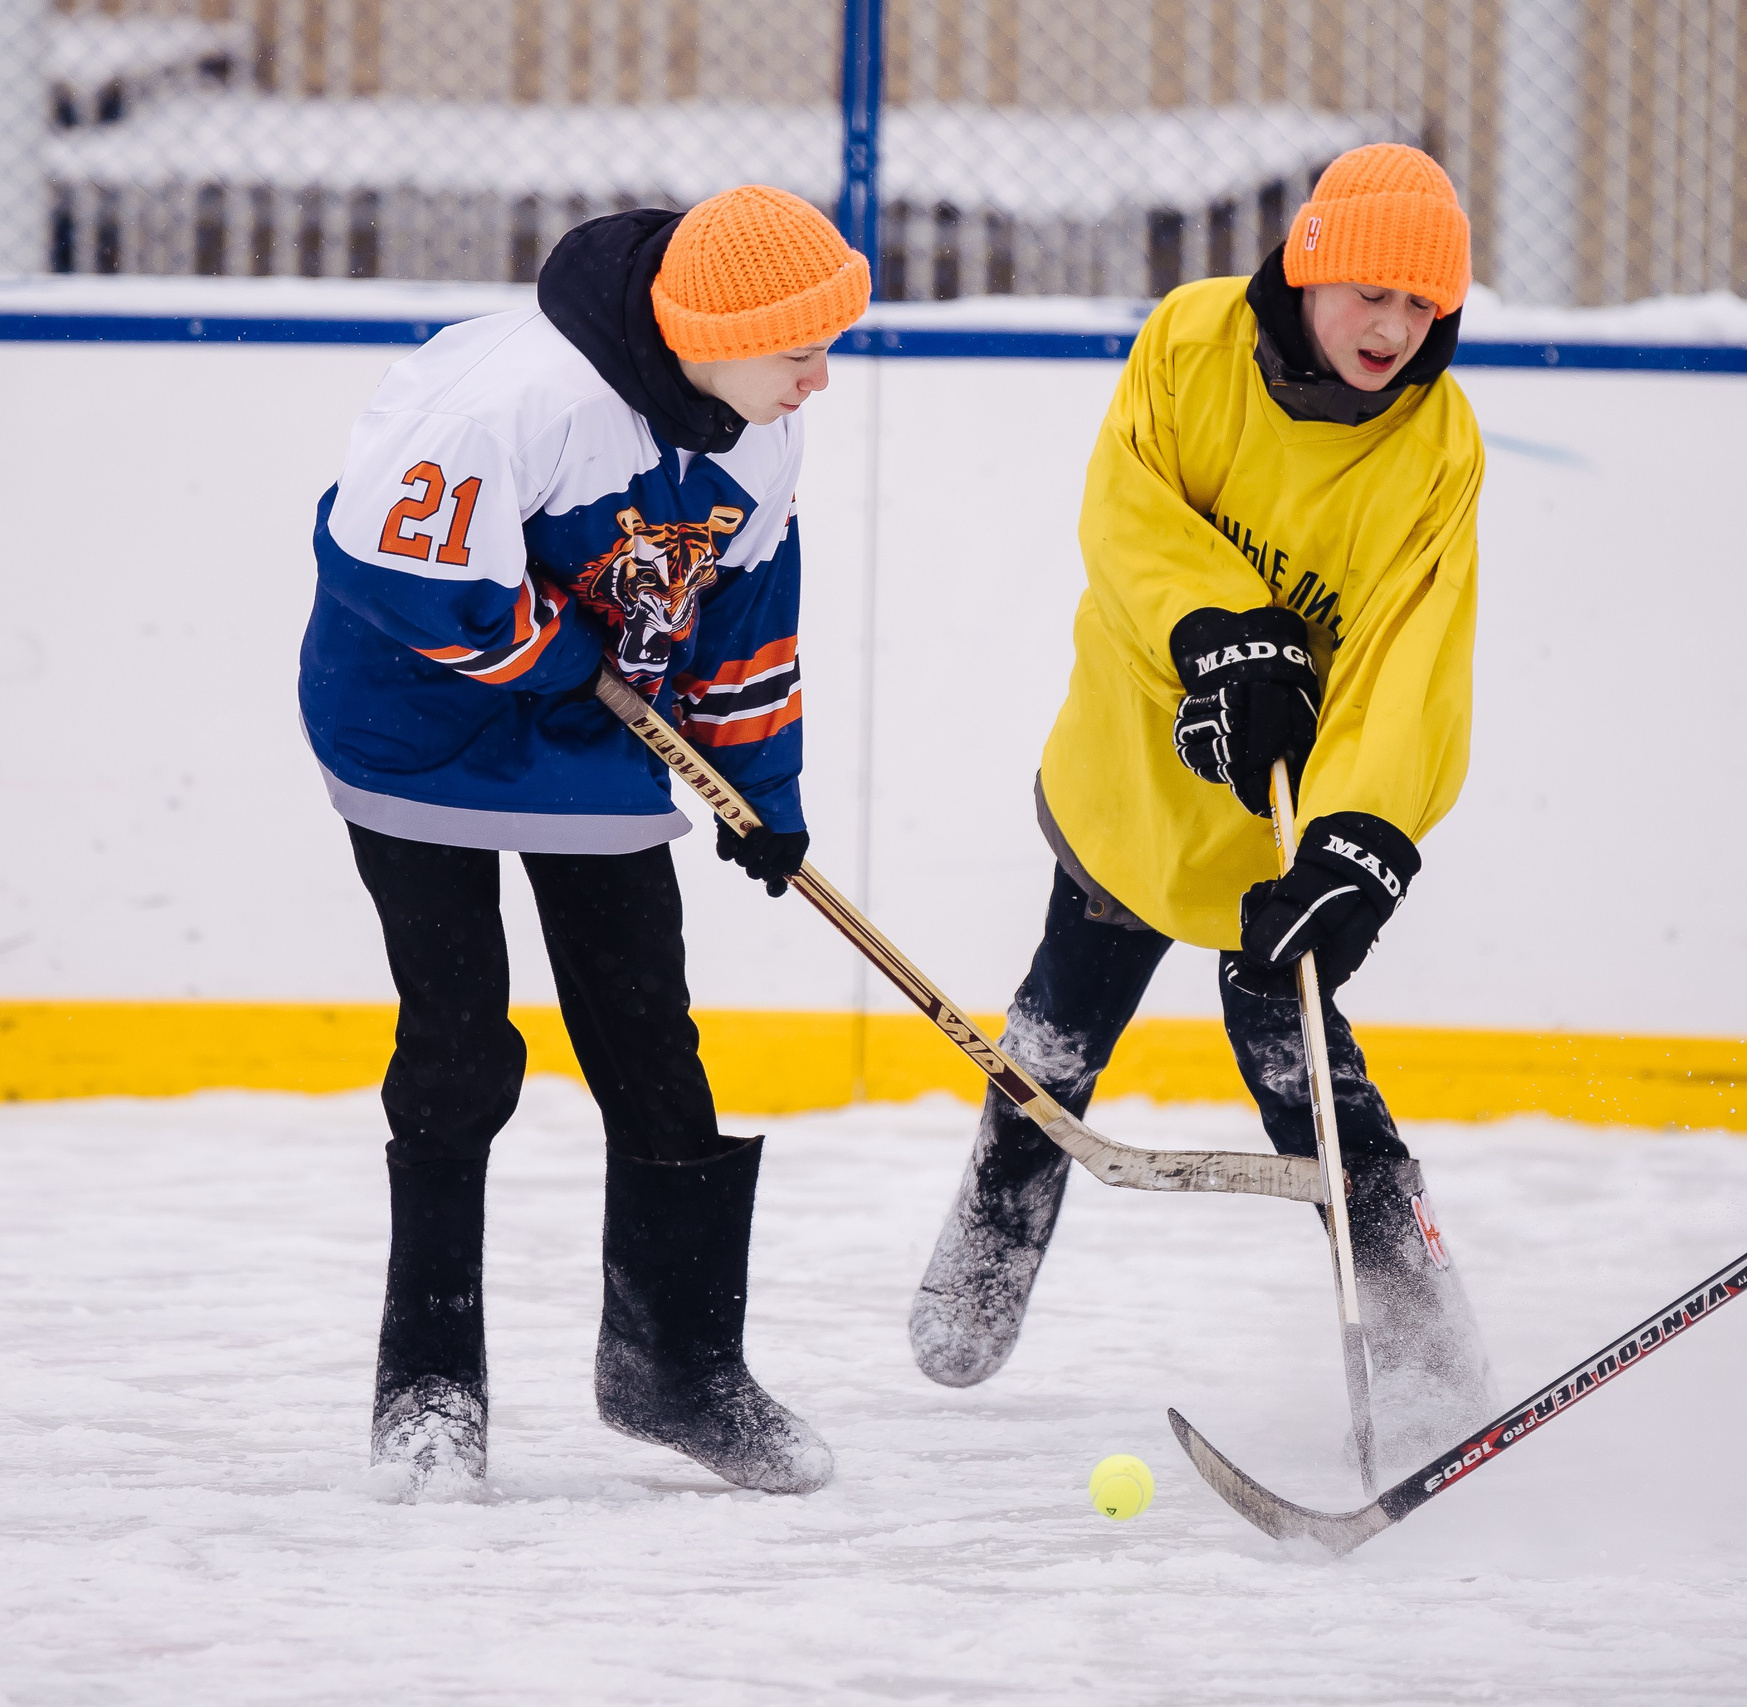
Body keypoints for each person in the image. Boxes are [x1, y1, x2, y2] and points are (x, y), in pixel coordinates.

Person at [907, 143, 1500, 1465]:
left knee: (1301, 1059)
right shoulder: (1190, 342)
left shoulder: (1438, 447)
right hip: (1141, 768)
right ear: (1304, 268)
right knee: (1061, 1020)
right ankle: (997, 1220)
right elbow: (1125, 521)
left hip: (1286, 818)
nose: (1393, 329)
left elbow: (1415, 657)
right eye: (1368, 295)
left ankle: (1419, 1349)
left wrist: (1366, 826)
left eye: (1422, 307)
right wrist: (1220, 632)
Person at [299, 185, 871, 1500]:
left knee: (651, 1042)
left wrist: (760, 787)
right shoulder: (519, 396)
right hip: (418, 719)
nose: (821, 378)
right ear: (710, 333)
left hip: (594, 729)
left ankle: (675, 1365)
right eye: (801, 348)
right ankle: (431, 1380)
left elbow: (742, 618)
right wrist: (556, 653)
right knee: (457, 1041)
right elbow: (390, 568)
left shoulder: (760, 435)